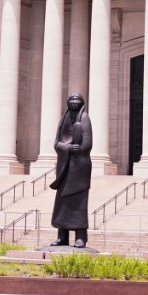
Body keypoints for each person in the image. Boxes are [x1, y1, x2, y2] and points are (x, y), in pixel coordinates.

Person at [49, 93, 93, 248]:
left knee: (79, 203)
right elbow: (56, 144)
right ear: (67, 102)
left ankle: (81, 237)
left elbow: (87, 143)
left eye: (77, 100)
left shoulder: (85, 118)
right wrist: (68, 147)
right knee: (62, 203)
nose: (74, 102)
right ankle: (62, 236)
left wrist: (79, 148)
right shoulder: (63, 120)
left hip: (79, 168)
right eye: (71, 99)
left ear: (82, 103)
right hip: (65, 167)